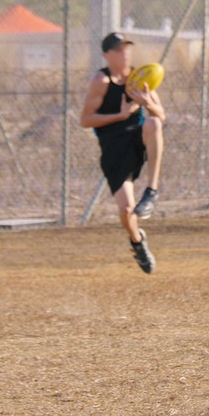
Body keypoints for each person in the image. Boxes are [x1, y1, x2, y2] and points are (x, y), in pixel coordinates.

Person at [80, 32, 165, 274]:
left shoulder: (139, 77)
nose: (124, 53)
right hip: (114, 148)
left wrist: (146, 102)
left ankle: (152, 191)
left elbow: (161, 114)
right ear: (106, 55)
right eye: (118, 49)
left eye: (126, 47)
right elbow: (85, 120)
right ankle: (137, 241)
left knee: (154, 124)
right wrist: (120, 115)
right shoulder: (101, 81)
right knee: (126, 210)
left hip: (137, 137)